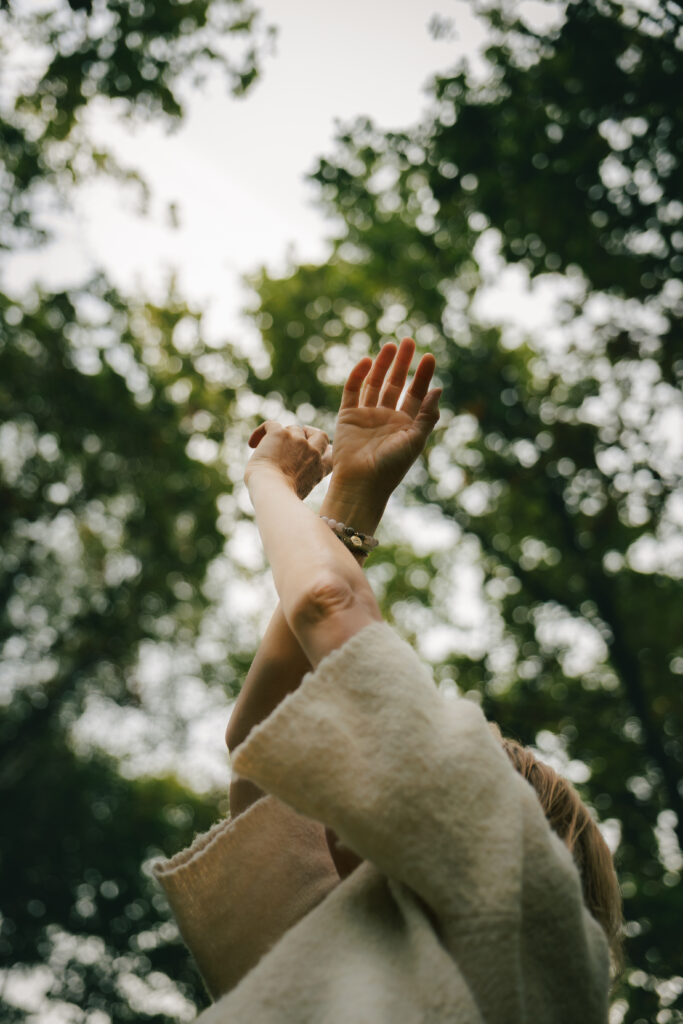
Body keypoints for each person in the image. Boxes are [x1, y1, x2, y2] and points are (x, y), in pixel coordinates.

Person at [154, 339, 622, 1023]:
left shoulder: (523, 915)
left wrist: (268, 479)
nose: (368, 758)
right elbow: (264, 742)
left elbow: (328, 605)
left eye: (421, 760)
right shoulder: (355, 943)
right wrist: (353, 493)